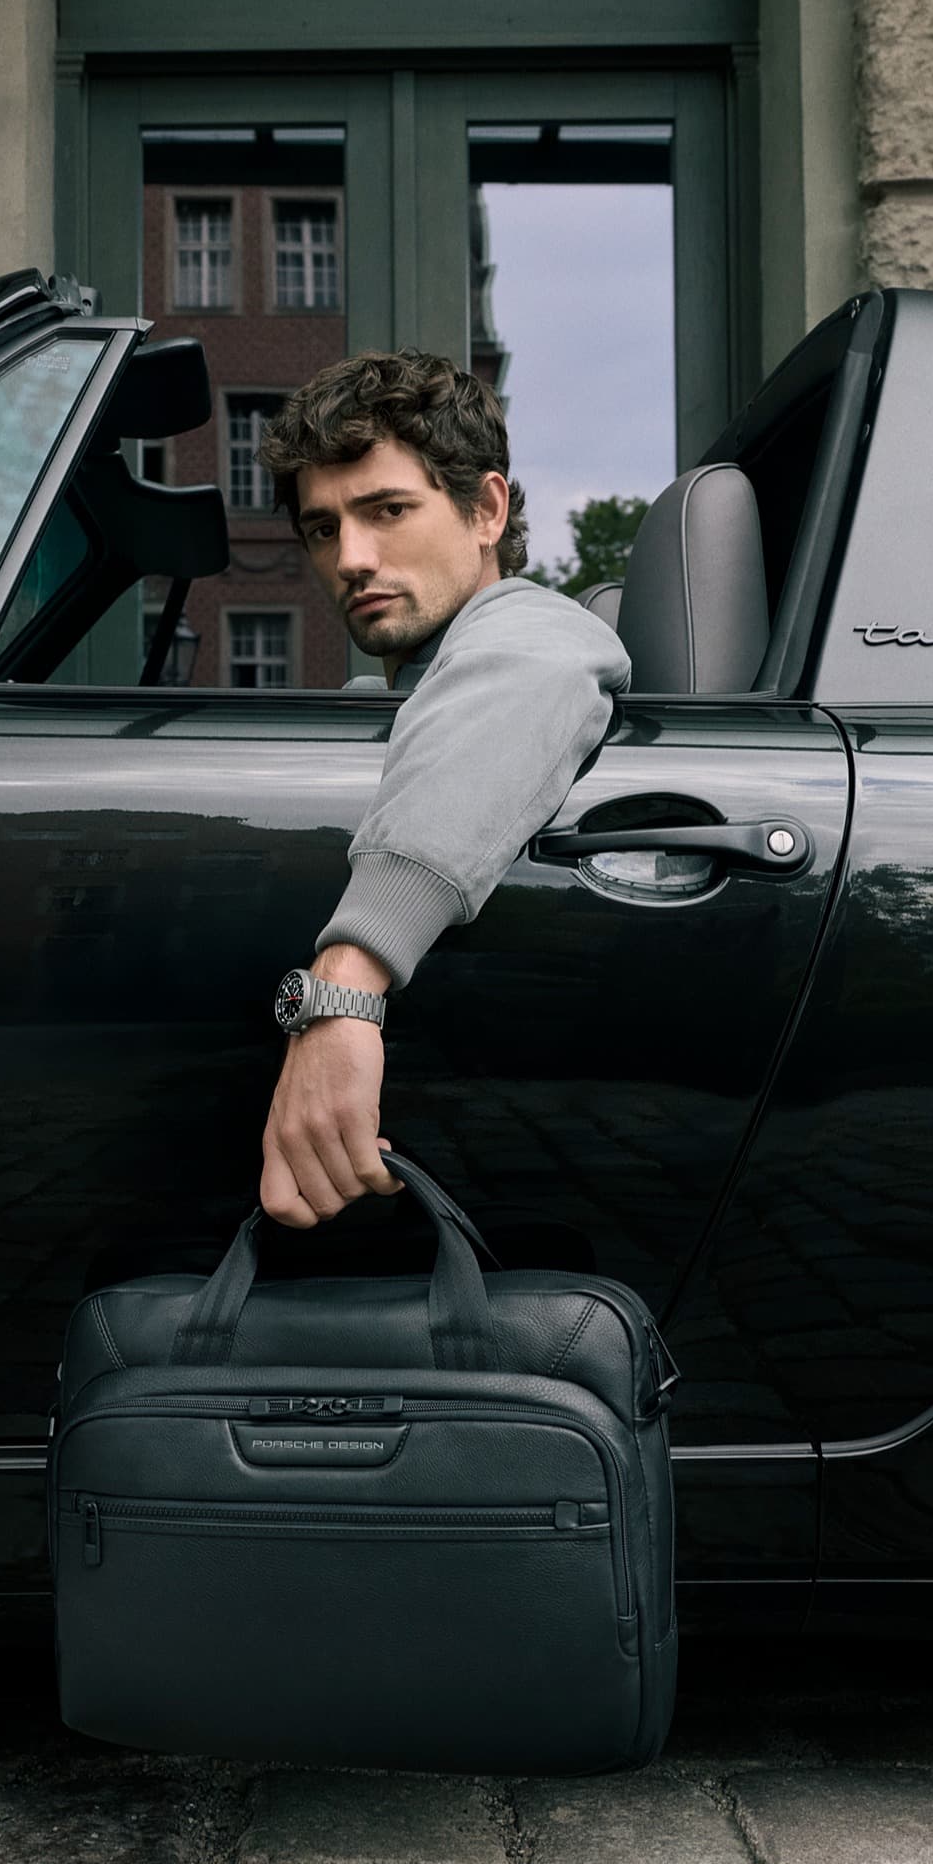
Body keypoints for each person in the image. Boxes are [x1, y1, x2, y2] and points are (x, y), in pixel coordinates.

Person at [254, 348, 631, 1231]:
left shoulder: (526, 629)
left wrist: (343, 990)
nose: (350, 557)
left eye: (387, 510)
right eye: (321, 527)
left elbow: (532, 672)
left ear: (486, 509)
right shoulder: (418, 693)